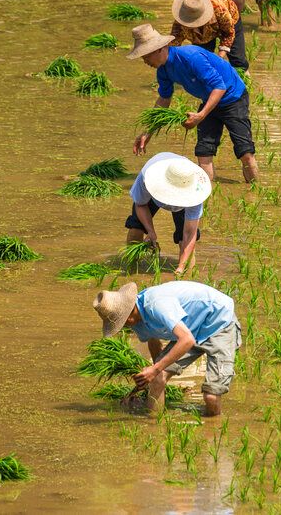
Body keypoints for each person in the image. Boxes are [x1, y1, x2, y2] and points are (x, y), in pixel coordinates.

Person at [127, 23, 259, 183]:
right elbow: (164, 99)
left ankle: (253, 192)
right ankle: (206, 199)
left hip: (233, 97)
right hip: (210, 100)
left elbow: (220, 86)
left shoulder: (190, 57)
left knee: (245, 152)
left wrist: (201, 115)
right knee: (203, 153)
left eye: (146, 56)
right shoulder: (163, 71)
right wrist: (148, 132)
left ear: (159, 49)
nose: (145, 61)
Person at [93, 281, 242, 416]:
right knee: (157, 378)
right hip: (190, 328)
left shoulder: (157, 306)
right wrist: (155, 373)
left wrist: (155, 368)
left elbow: (187, 340)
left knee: (211, 396)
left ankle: (212, 428)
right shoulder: (136, 322)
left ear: (129, 317)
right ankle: (153, 424)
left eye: (122, 323)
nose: (124, 327)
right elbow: (153, 340)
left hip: (218, 322)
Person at [125, 152, 211, 277]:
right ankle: (131, 268)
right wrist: (150, 231)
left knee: (183, 239)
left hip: (185, 196)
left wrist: (181, 267)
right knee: (136, 226)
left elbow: (189, 233)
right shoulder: (147, 178)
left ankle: (188, 276)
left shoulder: (196, 193)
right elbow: (140, 205)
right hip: (153, 195)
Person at [170, 0, 247, 70]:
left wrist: (220, 57)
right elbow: (173, 45)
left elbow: (229, 33)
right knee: (202, 62)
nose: (194, 26)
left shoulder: (220, 10)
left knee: (238, 61)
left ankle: (245, 78)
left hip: (229, 20)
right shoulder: (180, 21)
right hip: (204, 34)